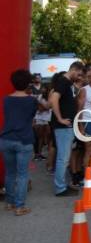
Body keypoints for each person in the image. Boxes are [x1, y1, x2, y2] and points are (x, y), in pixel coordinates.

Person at [1, 70, 39, 215]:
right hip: (24, 139)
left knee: (10, 173)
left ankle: (9, 203)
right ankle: (19, 206)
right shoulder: (32, 100)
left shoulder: (6, 99)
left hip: (6, 138)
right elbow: (32, 116)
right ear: (28, 83)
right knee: (23, 174)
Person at [49, 61, 85, 197]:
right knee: (63, 158)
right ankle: (60, 188)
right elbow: (54, 99)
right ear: (74, 70)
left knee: (64, 157)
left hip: (66, 125)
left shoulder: (67, 82)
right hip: (63, 126)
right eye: (79, 74)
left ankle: (62, 185)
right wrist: (60, 118)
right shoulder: (63, 81)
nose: (79, 78)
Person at [33, 84, 51, 161]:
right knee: (39, 137)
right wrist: (46, 107)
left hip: (48, 119)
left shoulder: (50, 97)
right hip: (39, 119)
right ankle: (38, 154)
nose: (43, 90)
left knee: (47, 137)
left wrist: (44, 107)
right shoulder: (39, 97)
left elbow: (48, 107)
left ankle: (44, 154)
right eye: (42, 88)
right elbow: (40, 108)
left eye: (45, 88)